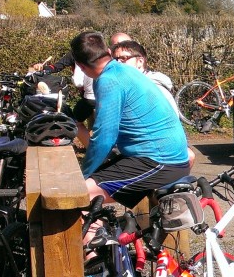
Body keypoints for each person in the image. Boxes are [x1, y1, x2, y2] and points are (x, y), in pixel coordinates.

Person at [71, 31, 191, 208]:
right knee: (89, 191)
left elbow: (104, 138)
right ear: (108, 53)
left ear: (81, 67)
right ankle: (107, 231)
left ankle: (99, 235)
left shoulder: (109, 80)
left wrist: (85, 174)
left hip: (161, 162)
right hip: (152, 157)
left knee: (76, 195)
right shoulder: (122, 70)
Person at [112, 39, 196, 167]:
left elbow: (170, 124)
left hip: (153, 149)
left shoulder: (151, 87)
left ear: (140, 61)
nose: (118, 63)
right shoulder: (125, 84)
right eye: (115, 59)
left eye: (123, 59)